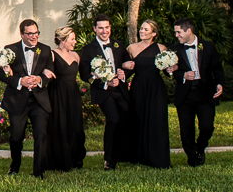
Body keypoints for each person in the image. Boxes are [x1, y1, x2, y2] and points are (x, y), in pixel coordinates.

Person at [0, 19, 52, 177]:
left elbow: (50, 71)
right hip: (17, 99)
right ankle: (15, 166)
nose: (34, 36)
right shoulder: (10, 50)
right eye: (30, 34)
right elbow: (3, 75)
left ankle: (39, 171)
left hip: (38, 100)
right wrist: (20, 81)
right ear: (22, 34)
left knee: (41, 134)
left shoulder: (46, 50)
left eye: (36, 33)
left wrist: (39, 79)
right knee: (16, 137)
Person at [119, 19, 173, 169]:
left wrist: (170, 70)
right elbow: (127, 69)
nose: (141, 31)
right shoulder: (131, 48)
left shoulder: (161, 48)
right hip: (138, 87)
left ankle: (157, 157)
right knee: (138, 118)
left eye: (146, 29)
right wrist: (122, 68)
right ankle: (138, 155)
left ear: (153, 34)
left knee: (157, 119)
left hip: (156, 87)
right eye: (141, 29)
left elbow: (167, 69)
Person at [172, 18, 224, 166]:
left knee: (207, 126)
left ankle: (200, 148)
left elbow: (217, 68)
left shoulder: (208, 46)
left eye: (179, 32)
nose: (177, 35)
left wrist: (220, 84)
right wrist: (182, 75)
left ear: (189, 31)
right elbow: (169, 71)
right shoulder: (174, 49)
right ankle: (192, 157)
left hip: (205, 94)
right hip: (185, 95)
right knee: (186, 129)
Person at [79, 14, 128, 171]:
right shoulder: (87, 49)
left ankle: (120, 154)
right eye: (100, 28)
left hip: (120, 90)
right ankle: (109, 160)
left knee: (124, 118)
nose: (104, 31)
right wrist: (103, 82)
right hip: (103, 91)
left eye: (107, 27)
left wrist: (123, 75)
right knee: (113, 119)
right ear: (95, 29)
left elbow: (127, 66)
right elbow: (84, 74)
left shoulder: (119, 45)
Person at [45, 26, 86, 172]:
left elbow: (84, 74)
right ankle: (59, 159)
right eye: (72, 39)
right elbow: (45, 72)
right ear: (63, 40)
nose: (75, 42)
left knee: (74, 123)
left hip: (72, 94)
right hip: (57, 94)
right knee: (59, 124)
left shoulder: (75, 56)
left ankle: (76, 157)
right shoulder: (52, 54)